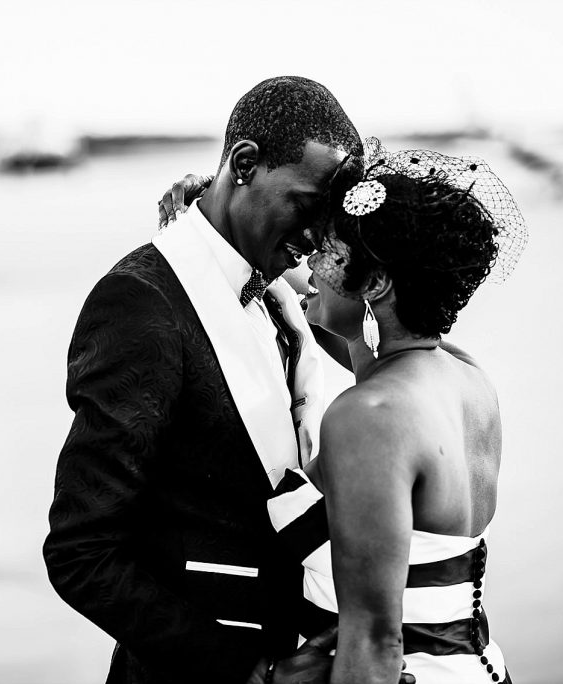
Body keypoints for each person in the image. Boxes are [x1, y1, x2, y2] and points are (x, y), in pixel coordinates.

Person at [44, 76, 365, 684]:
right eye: (306, 204)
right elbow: (80, 552)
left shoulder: (284, 292)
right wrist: (251, 673)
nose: (316, 236)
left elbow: (390, 350)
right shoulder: (140, 303)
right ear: (244, 163)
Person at [266, 139, 528, 683]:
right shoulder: (462, 378)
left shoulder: (370, 418)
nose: (309, 262)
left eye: (329, 252)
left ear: (378, 283)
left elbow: (374, 645)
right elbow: (340, 320)